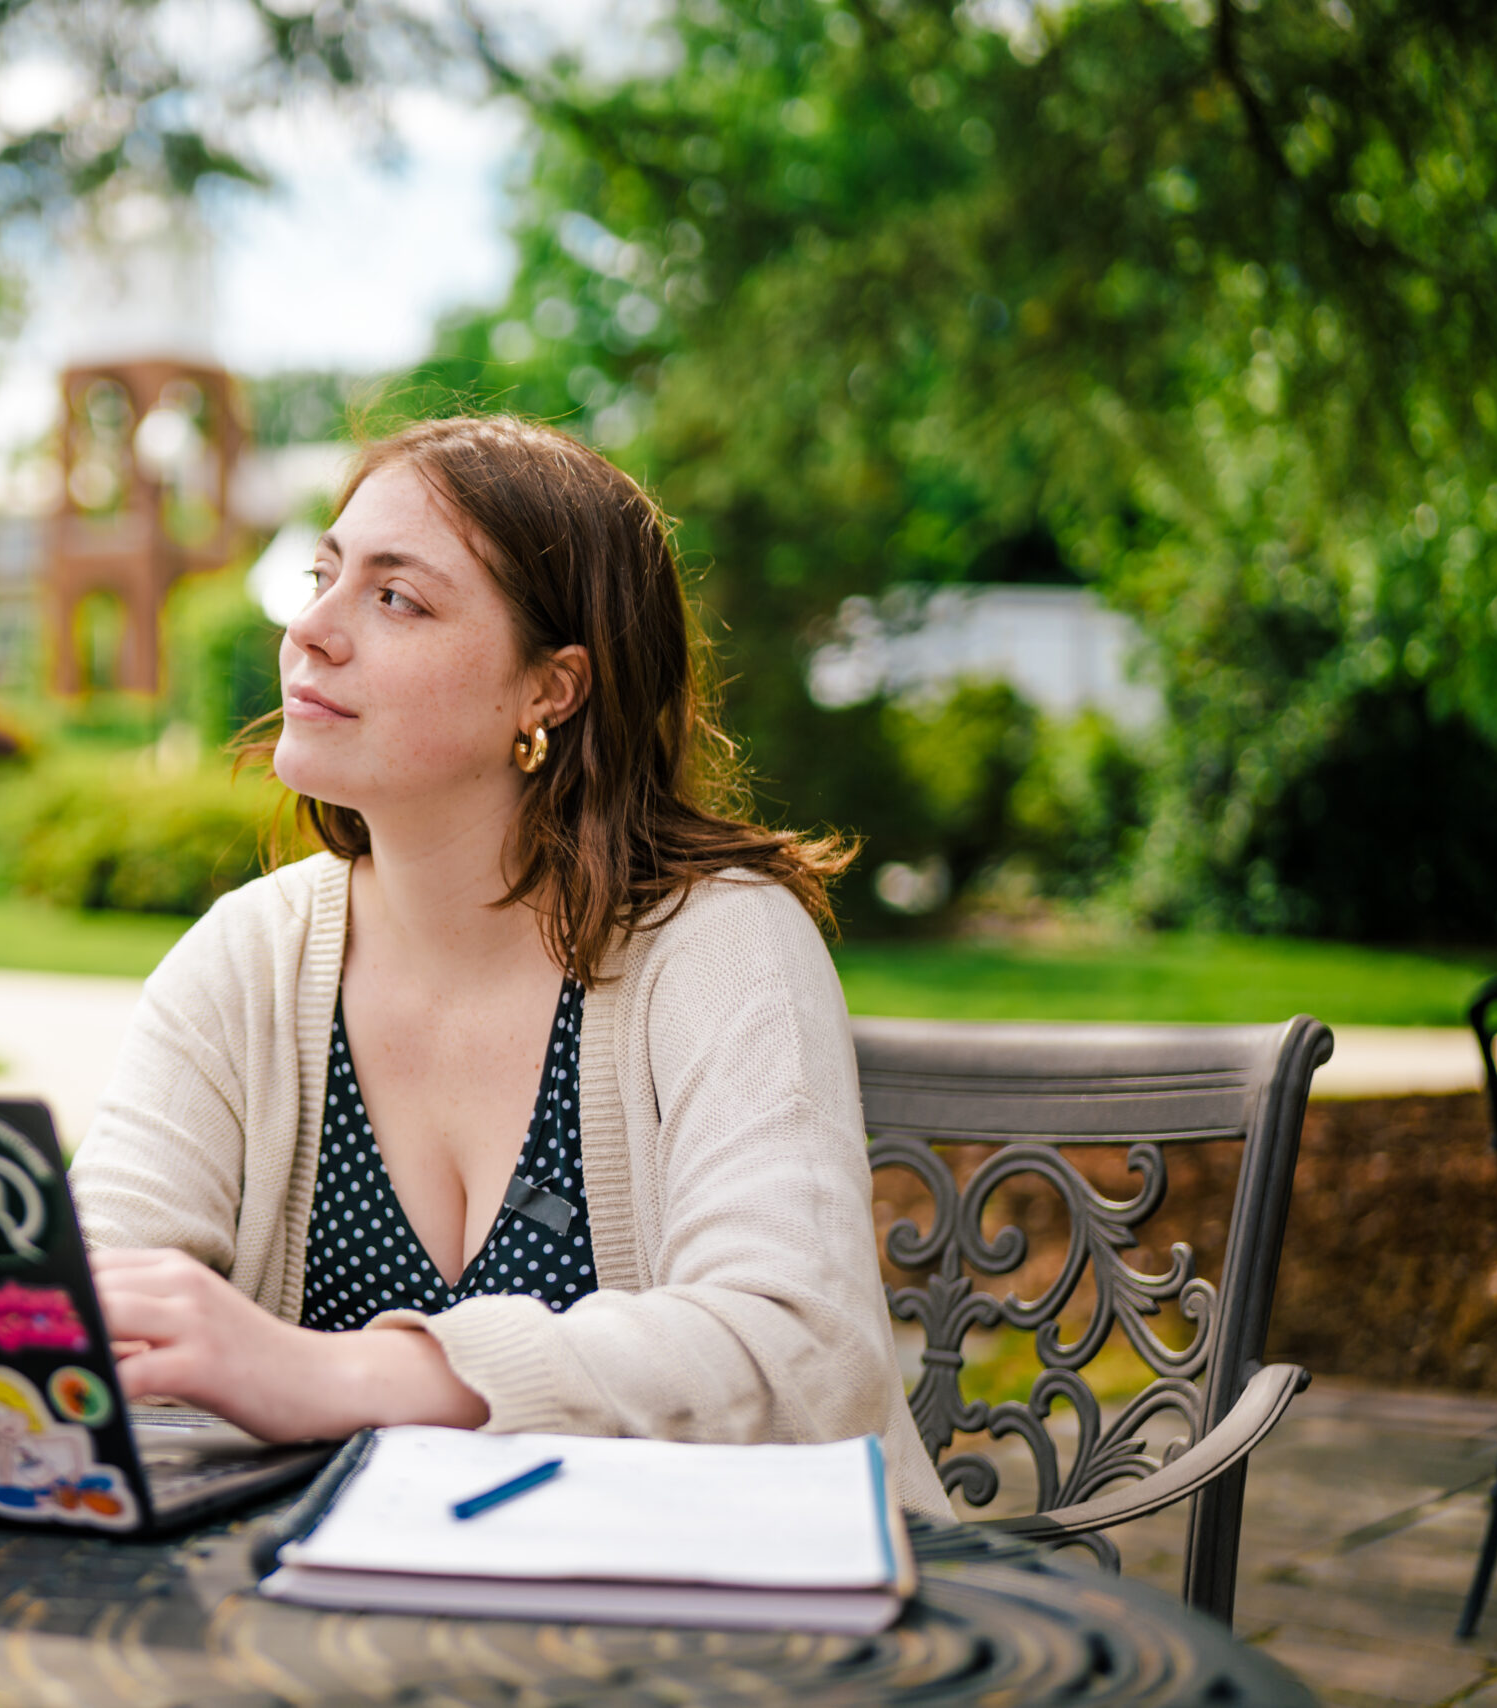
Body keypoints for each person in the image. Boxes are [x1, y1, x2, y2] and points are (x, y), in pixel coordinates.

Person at [74, 416, 951, 1519]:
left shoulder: (719, 940)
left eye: (397, 598)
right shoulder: (247, 958)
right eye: (322, 575)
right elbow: (93, 1305)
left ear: (553, 690)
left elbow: (803, 1350)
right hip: (343, 1636)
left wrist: (336, 1375)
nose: (311, 632)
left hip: (725, 1635)